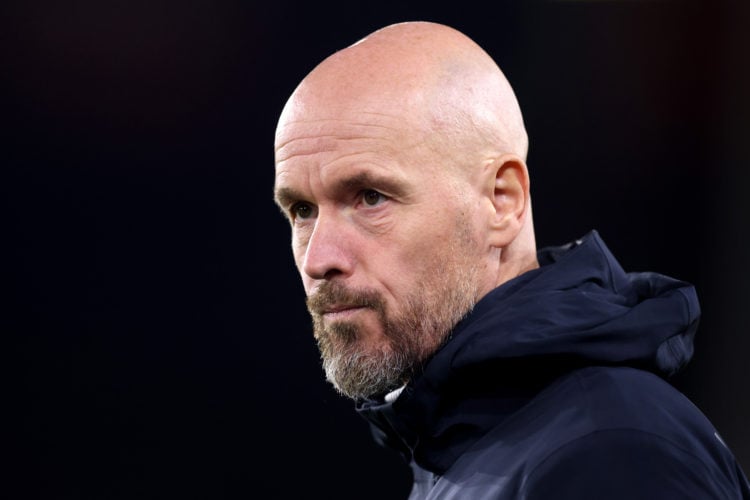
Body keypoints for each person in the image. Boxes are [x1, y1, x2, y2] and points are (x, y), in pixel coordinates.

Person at [272, 20, 750, 499]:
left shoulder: (612, 450)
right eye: (302, 210)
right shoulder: (467, 447)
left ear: (502, 200)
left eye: (370, 197)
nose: (318, 259)